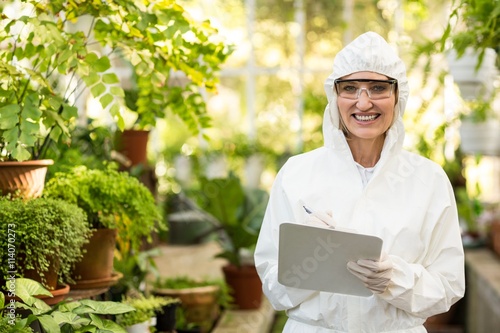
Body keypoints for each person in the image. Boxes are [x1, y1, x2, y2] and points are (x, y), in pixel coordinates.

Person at [254, 31, 465, 332]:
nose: (363, 103)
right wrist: (304, 261)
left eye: (378, 88)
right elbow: (274, 291)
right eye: (350, 88)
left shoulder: (428, 180)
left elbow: (448, 285)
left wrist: (394, 279)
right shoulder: (296, 174)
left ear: (397, 96)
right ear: (335, 96)